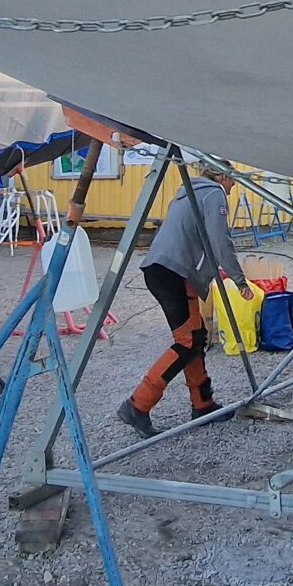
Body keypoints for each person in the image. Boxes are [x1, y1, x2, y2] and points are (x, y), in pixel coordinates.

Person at [119, 163, 246, 437]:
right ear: (223, 176)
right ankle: (137, 404)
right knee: (187, 342)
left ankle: (202, 404)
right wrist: (240, 280)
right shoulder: (213, 193)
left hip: (164, 269)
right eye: (232, 180)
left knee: (195, 338)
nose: (233, 186)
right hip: (173, 272)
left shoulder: (188, 191)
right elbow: (220, 241)